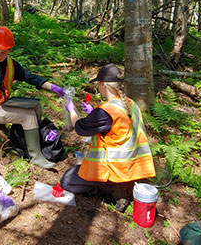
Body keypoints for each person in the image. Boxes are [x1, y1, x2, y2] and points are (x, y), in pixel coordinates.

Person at [0, 26, 65, 169]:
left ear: (9, 50)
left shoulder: (11, 64)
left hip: (3, 102)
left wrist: (52, 87)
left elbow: (29, 77)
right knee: (28, 116)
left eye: (3, 52)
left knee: (36, 106)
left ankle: (29, 138)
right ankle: (35, 156)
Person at [60, 64, 155, 210]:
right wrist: (93, 114)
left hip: (115, 170)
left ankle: (111, 191)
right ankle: (125, 186)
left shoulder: (106, 111)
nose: (98, 86)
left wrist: (72, 111)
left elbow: (80, 128)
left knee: (67, 181)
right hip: (136, 167)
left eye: (98, 83)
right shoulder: (131, 103)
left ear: (103, 84)